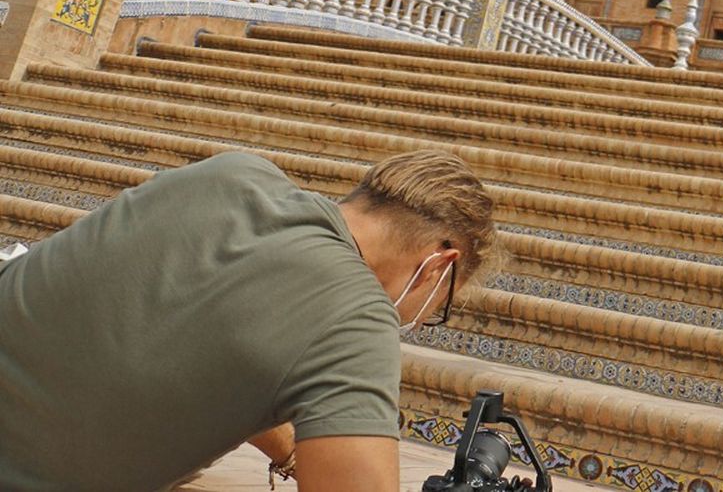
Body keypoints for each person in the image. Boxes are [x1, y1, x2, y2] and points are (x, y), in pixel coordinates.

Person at [0, 148, 496, 492]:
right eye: (438, 307)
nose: (419, 319)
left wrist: (292, 453)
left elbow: (221, 343)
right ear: (439, 265)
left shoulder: (230, 174)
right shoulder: (358, 316)